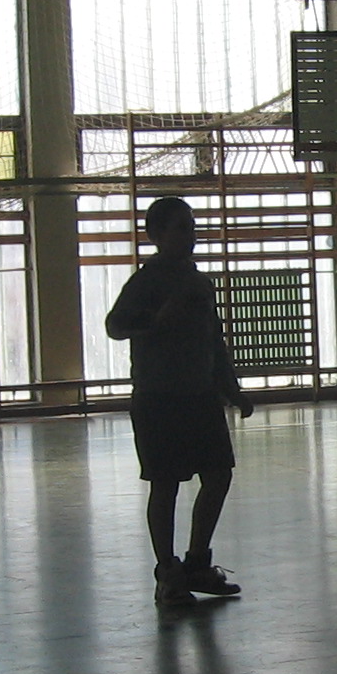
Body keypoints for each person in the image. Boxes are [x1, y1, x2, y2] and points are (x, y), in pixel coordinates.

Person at [107, 196, 251, 605]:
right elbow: (115, 325)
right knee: (165, 484)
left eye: (192, 226)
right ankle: (168, 573)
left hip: (200, 395)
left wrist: (231, 389)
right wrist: (154, 321)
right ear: (156, 235)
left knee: (218, 475)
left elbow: (214, 340)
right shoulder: (146, 282)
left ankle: (198, 562)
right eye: (181, 227)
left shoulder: (199, 282)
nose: (191, 235)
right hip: (159, 398)